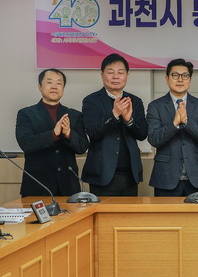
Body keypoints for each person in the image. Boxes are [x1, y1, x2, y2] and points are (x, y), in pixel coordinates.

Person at [15, 69, 89, 197]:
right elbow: (26, 143)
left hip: (68, 188)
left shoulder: (74, 115)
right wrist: (54, 134)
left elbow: (82, 147)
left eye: (59, 83)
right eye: (49, 82)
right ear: (40, 87)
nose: (54, 86)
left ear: (63, 88)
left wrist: (68, 133)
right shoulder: (26, 114)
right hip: (37, 187)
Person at [82, 53, 148, 196]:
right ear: (102, 75)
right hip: (102, 175)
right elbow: (92, 132)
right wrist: (114, 115)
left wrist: (129, 121)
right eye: (110, 72)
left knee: (130, 211)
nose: (116, 76)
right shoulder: (91, 101)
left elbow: (143, 134)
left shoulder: (135, 101)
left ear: (127, 75)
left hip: (130, 175)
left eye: (120, 72)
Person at [146, 59, 198, 197]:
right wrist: (174, 124)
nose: (180, 79)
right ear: (167, 78)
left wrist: (186, 122)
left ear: (190, 80)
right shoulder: (155, 106)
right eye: (175, 75)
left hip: (196, 176)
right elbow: (154, 139)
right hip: (165, 177)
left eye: (185, 76)